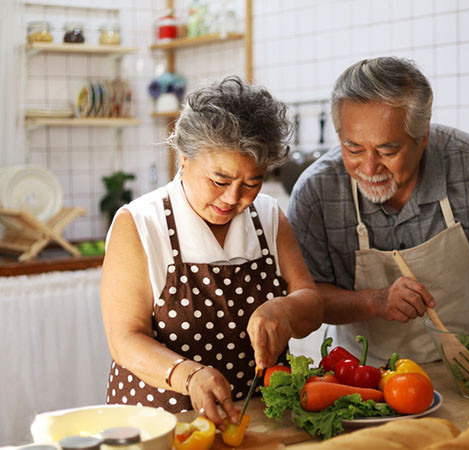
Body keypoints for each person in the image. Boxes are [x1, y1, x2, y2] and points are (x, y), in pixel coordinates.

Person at [287, 57, 469, 367]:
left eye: (388, 150)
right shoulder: (316, 192)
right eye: (353, 148)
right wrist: (375, 301)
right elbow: (308, 299)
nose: (369, 168)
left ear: (422, 137)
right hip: (365, 376)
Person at [100, 76, 323, 430]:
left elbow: (311, 304)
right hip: (160, 426)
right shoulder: (141, 224)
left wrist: (285, 308)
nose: (235, 198)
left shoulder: (268, 216)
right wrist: (188, 375)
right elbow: (124, 339)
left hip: (257, 423)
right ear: (183, 158)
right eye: (220, 181)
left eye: (252, 182)